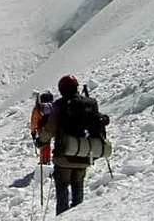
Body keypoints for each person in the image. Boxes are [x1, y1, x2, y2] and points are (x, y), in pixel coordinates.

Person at [35, 74, 110, 215]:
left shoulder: (61, 106)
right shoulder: (89, 104)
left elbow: (50, 129)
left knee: (62, 191)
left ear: (62, 90)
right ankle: (77, 215)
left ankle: (63, 216)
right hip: (85, 155)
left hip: (64, 156)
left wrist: (41, 141)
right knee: (78, 187)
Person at [29, 91, 54, 164]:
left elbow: (34, 120)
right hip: (52, 128)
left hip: (42, 129)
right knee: (48, 144)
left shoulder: (38, 107)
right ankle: (48, 159)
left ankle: (43, 161)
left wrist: (33, 131)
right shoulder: (52, 106)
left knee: (43, 144)